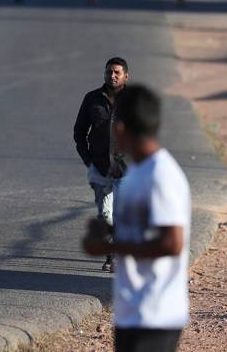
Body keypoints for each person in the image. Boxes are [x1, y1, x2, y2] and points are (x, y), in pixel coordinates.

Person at [82, 85, 191, 352]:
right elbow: (142, 231)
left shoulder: (161, 175)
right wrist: (106, 229)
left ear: (119, 129)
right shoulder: (136, 173)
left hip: (156, 314)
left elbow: (171, 243)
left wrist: (109, 247)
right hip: (133, 310)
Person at [73, 57, 129, 272]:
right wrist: (89, 160)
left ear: (126, 76)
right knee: (105, 214)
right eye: (109, 72)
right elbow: (79, 132)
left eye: (116, 72)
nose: (112, 76)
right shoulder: (92, 99)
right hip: (101, 168)